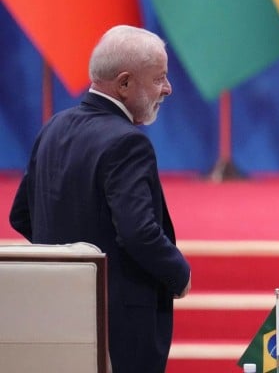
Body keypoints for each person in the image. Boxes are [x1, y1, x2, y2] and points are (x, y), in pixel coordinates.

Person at [9, 25, 191, 373]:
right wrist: (178, 273)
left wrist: (72, 268)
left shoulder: (53, 127)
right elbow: (138, 232)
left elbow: (21, 216)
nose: (167, 89)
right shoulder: (128, 143)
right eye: (159, 79)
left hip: (58, 317)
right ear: (124, 84)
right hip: (118, 330)